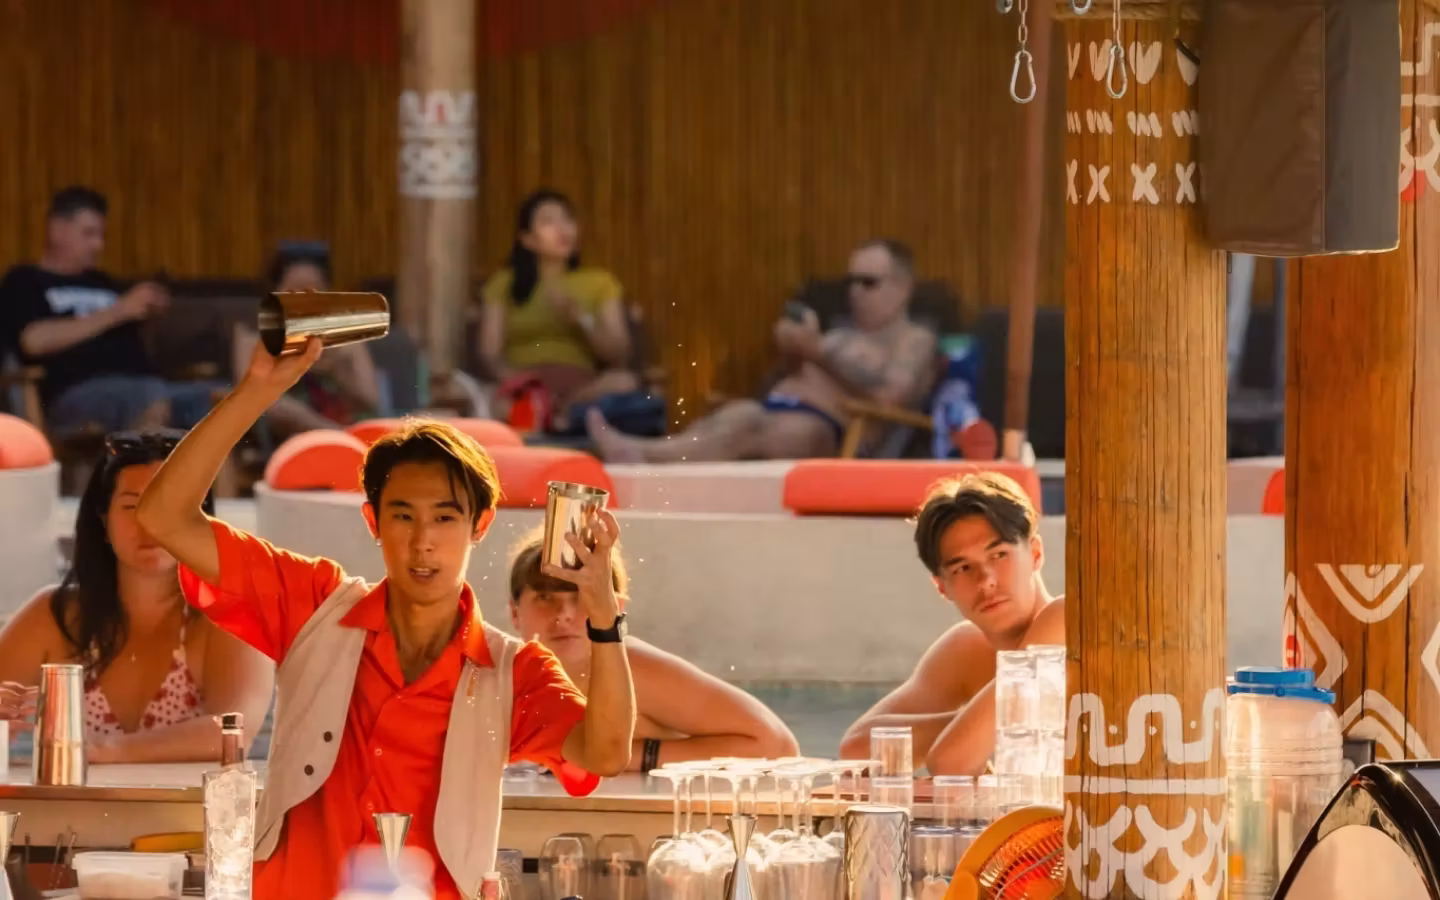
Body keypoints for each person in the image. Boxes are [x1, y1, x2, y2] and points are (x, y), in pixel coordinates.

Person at [134, 339, 635, 900]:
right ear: (374, 521)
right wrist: (258, 392)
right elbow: (163, 516)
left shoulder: (510, 671)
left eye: (445, 518)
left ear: (481, 525)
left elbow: (607, 753)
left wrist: (603, 618)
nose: (423, 543)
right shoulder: (313, 606)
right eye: (403, 516)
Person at [0, 429, 274, 763]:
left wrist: (100, 753)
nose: (150, 524)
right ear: (104, 519)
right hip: (74, 814)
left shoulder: (229, 616)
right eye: (132, 506)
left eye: (170, 506)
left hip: (192, 815)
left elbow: (232, 732)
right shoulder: (55, 615)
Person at [587, 239, 937, 462]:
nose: (855, 292)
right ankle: (642, 453)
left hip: (829, 433)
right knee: (735, 415)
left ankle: (641, 453)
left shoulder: (913, 340)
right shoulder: (840, 333)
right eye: (850, 282)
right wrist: (791, 353)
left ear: (903, 288)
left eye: (868, 282)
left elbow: (891, 397)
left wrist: (816, 353)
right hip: (777, 409)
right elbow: (776, 381)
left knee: (746, 422)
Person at [508, 532, 799, 768]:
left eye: (584, 595)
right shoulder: (503, 671)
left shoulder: (635, 669)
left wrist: (628, 756)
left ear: (615, 608)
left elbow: (776, 745)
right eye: (545, 597)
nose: (565, 614)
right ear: (514, 612)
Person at [838, 473, 1064, 774]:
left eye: (999, 555)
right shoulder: (966, 650)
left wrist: (977, 733)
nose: (986, 581)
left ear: (1035, 554)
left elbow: (951, 762)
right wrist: (976, 725)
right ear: (942, 587)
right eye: (963, 568)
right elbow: (857, 749)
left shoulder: (1067, 620)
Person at [0, 186, 216, 433]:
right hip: (75, 395)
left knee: (222, 402)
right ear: (57, 230)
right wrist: (120, 310)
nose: (98, 245)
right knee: (147, 396)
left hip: (143, 386)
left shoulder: (102, 282)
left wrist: (148, 311)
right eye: (89, 234)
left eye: (101, 235)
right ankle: (136, 471)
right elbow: (33, 340)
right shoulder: (25, 280)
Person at [478, 189, 640, 416]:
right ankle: (552, 414)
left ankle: (560, 411)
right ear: (527, 239)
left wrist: (581, 320)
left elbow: (619, 354)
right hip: (526, 387)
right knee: (493, 402)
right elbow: (490, 354)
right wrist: (518, 382)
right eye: (548, 221)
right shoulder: (504, 283)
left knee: (624, 382)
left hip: (582, 388)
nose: (562, 229)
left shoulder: (599, 282)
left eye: (567, 219)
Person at [231, 246, 384, 438]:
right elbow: (260, 401)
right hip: (288, 439)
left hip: (347, 432)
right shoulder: (253, 337)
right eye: (294, 292)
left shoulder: (346, 337)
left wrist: (337, 372)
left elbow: (371, 400)